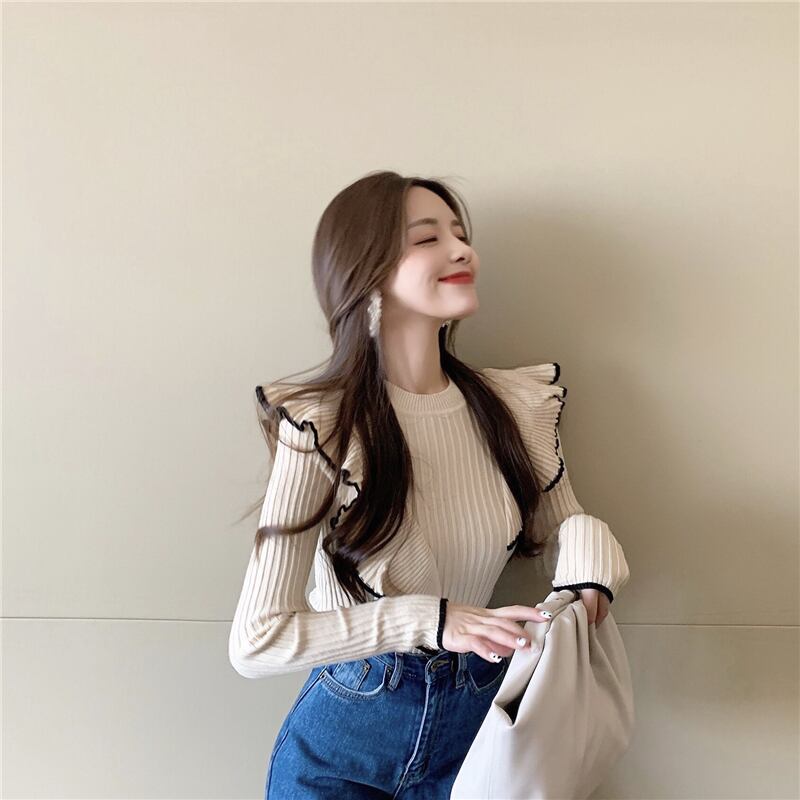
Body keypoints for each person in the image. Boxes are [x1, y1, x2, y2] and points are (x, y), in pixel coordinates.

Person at [228, 170, 631, 799]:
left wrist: (588, 578)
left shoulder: (510, 407)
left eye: (461, 235)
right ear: (365, 270)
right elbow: (257, 641)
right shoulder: (322, 424)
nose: (462, 250)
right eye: (427, 238)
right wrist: (431, 620)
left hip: (481, 727)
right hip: (346, 741)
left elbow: (565, 524)